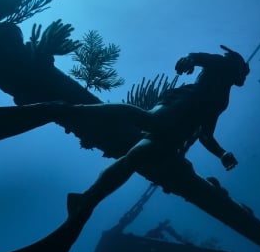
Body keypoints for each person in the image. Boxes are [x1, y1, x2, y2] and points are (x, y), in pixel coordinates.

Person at [66, 44, 250, 221]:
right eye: (243, 72)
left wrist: (222, 153)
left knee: (136, 156)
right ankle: (79, 110)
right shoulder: (223, 65)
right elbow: (200, 57)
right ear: (238, 67)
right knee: (151, 121)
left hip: (181, 129)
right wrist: (189, 60)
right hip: (181, 103)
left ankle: (86, 199)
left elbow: (205, 134)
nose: (244, 77)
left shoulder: (222, 100)